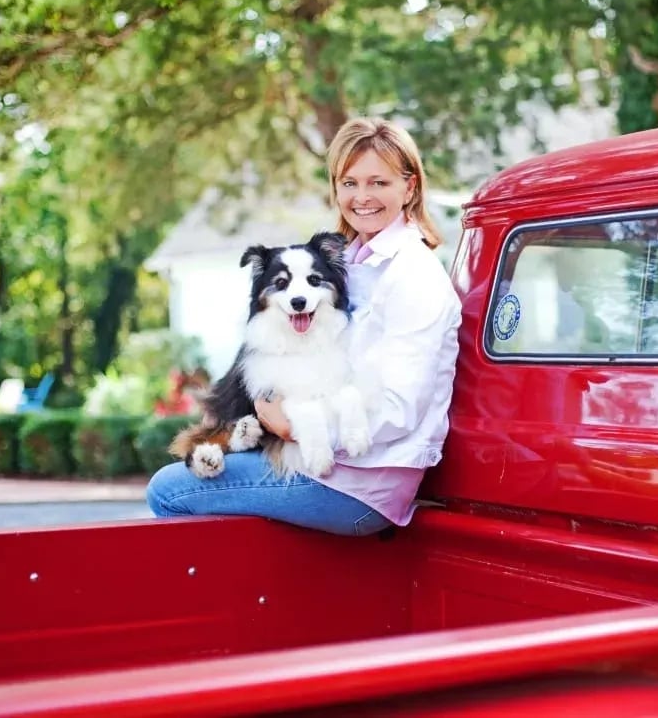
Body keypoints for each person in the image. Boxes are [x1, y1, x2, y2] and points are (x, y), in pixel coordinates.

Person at [146, 117, 462, 536]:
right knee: (208, 464)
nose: (362, 197)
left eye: (378, 183)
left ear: (410, 187)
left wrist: (290, 426)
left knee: (168, 490)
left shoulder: (413, 276)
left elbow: (400, 411)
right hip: (330, 464)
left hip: (362, 483)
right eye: (349, 183)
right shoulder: (353, 262)